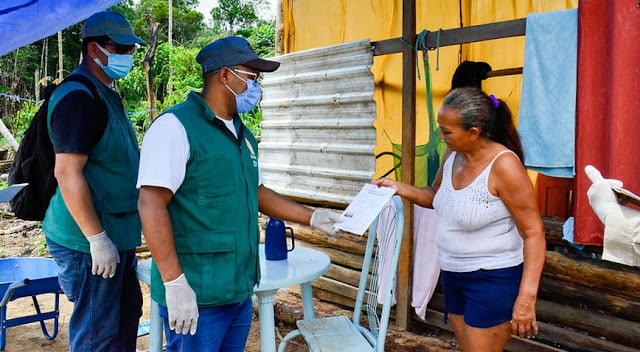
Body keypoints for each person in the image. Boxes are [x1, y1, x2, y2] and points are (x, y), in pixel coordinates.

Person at [136, 36, 343, 351]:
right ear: (224, 76)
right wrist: (175, 282)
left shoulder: (243, 135)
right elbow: (151, 204)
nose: (256, 88)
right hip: (196, 292)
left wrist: (312, 216)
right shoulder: (175, 127)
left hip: (239, 287)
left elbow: (256, 191)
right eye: (251, 78)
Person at [373, 87, 546, 351]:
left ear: (473, 132)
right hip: (454, 274)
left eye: (447, 131)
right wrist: (397, 187)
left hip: (492, 278)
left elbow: (534, 234)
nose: (441, 137)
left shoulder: (504, 166)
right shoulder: (453, 157)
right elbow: (435, 196)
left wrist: (526, 297)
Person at [42, 10, 145, 352]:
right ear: (93, 50)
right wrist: (97, 239)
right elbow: (67, 172)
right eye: (120, 48)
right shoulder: (77, 97)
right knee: (97, 332)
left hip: (120, 232)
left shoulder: (106, 93)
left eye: (131, 49)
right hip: (89, 241)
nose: (128, 56)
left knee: (125, 320)